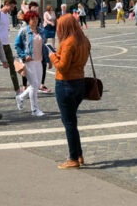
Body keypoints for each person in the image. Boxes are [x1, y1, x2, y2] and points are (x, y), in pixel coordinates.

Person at [49, 15, 91, 169]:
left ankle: (73, 158)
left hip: (65, 84)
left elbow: (62, 66)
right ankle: (78, 154)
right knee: (71, 121)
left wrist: (53, 56)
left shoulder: (68, 43)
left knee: (69, 123)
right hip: (80, 83)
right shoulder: (84, 40)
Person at [14, 11, 47, 116]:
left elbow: (44, 46)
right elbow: (17, 45)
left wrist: (48, 60)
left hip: (39, 60)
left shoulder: (41, 31)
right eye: (33, 18)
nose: (35, 20)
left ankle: (20, 97)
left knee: (37, 85)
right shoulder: (23, 31)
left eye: (37, 18)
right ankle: (35, 110)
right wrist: (23, 55)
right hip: (29, 61)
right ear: (28, 20)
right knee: (33, 85)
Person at [0, 0, 20, 95]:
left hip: (6, 44)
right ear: (7, 4)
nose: (13, 9)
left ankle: (17, 90)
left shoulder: (7, 15)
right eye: (12, 7)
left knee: (12, 66)